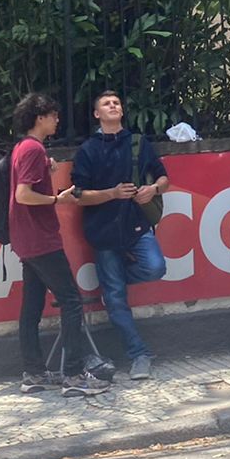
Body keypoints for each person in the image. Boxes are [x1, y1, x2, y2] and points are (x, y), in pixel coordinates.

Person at [9, 93, 108, 397]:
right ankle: (75, 374)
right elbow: (23, 195)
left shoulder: (23, 149)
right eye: (52, 115)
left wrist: (46, 172)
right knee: (72, 301)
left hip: (25, 239)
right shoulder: (33, 149)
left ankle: (33, 372)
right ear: (40, 118)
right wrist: (56, 199)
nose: (56, 120)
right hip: (42, 239)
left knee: (32, 307)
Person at [69, 91, 172, 381]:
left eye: (117, 102)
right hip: (103, 232)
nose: (113, 106)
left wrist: (153, 189)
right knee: (115, 299)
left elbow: (163, 177)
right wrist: (111, 194)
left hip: (137, 225)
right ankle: (139, 355)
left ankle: (112, 284)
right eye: (106, 103)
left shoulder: (138, 142)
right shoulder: (88, 150)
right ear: (96, 114)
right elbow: (78, 195)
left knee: (155, 267)